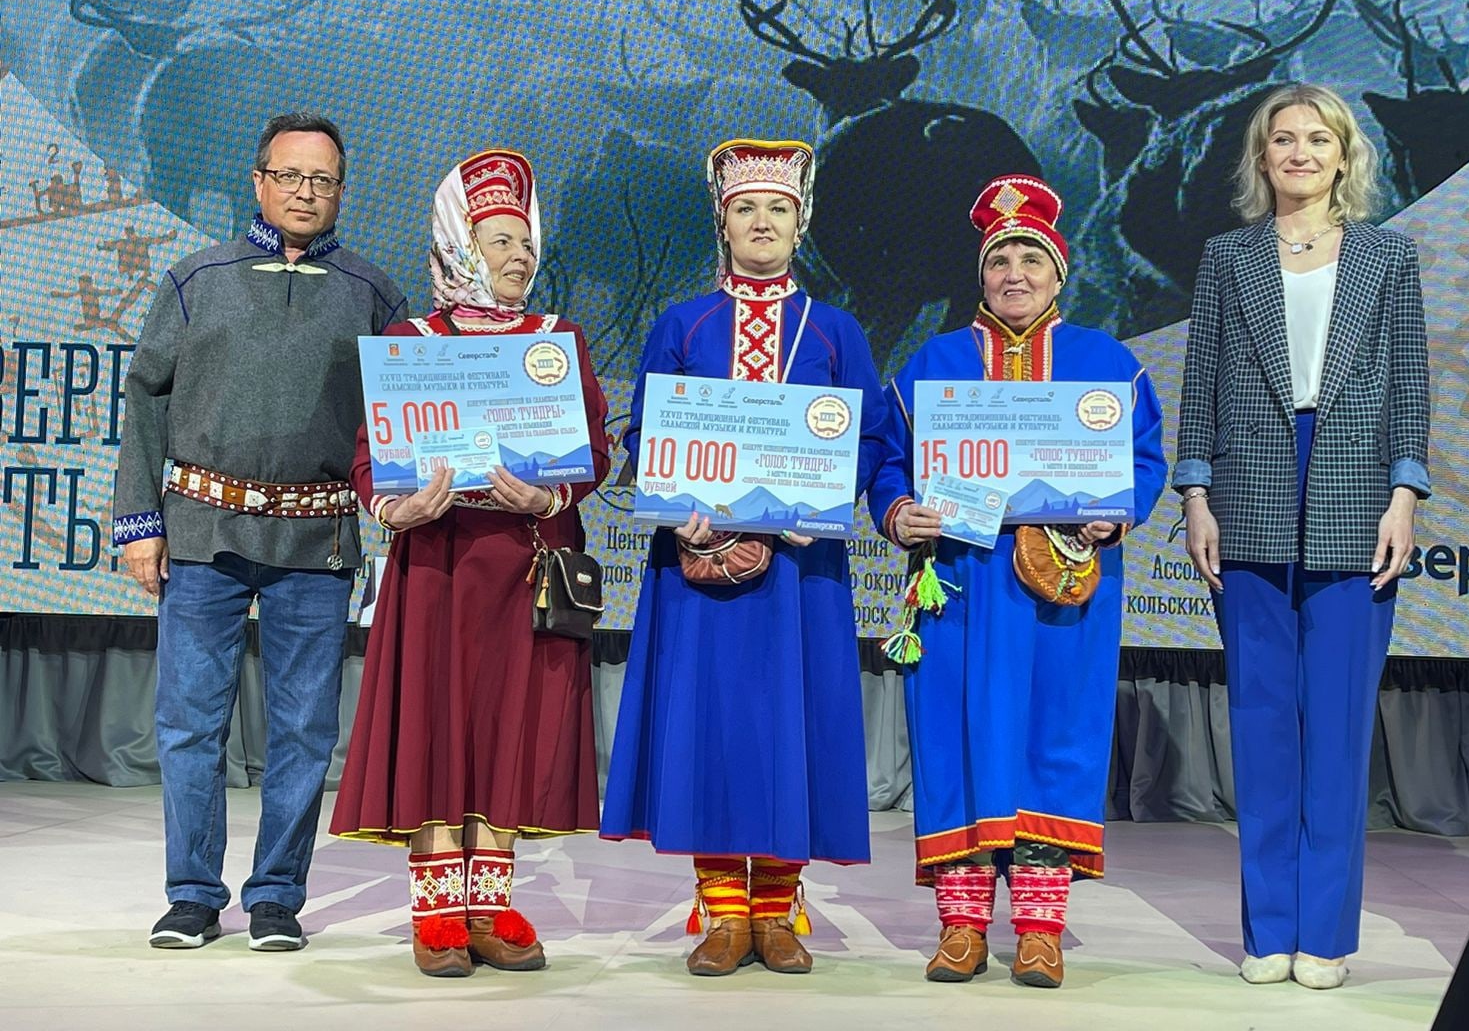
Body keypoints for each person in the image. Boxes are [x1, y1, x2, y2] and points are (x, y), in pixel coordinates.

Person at [113, 112, 408, 952]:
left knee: (305, 729)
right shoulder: (195, 280)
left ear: (341, 191)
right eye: (290, 176)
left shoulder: (373, 294)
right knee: (189, 722)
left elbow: (402, 419)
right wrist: (139, 523)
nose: (305, 192)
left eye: (322, 180)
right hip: (201, 534)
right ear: (258, 181)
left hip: (316, 544)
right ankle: (192, 895)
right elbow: (145, 401)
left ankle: (277, 895)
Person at [866, 174, 1166, 989]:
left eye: (1031, 259)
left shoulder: (1108, 364)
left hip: (1066, 589)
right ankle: (961, 927)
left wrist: (1115, 513)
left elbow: (1143, 461)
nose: (1014, 275)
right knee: (956, 741)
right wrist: (897, 512)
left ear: (1058, 273)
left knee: (1055, 739)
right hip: (959, 586)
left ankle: (1039, 930)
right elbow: (888, 461)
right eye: (999, 260)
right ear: (982, 273)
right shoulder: (933, 363)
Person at [599, 139, 889, 977]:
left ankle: (778, 909)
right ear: (722, 224)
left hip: (803, 571)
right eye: (747, 209)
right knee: (712, 723)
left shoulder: (835, 329)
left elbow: (872, 436)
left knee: (788, 722)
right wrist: (678, 510)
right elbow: (647, 433)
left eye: (779, 210)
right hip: (696, 564)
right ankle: (724, 910)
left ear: (801, 225)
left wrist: (822, 503)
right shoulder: (682, 323)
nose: (763, 223)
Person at [328, 149, 610, 977]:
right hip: (438, 563)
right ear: (460, 246)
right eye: (499, 241)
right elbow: (369, 458)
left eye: (525, 241)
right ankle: (436, 910)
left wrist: (549, 498)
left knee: (511, 725)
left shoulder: (557, 340)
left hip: (525, 563)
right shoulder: (412, 342)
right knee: (436, 722)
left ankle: (488, 905)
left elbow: (594, 450)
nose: (519, 256)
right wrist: (397, 509)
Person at [1174, 84, 1430, 990]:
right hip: (1247, 489)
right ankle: (1270, 930)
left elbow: (1410, 383)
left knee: (1338, 729)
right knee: (1261, 724)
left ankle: (1324, 933)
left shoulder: (1389, 256)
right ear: (1262, 157)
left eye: (1318, 139)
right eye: (1283, 139)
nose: (1300, 153)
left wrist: (1405, 495)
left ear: (1343, 155)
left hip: (1356, 490)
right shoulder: (1227, 255)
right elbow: (1201, 378)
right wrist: (1195, 493)